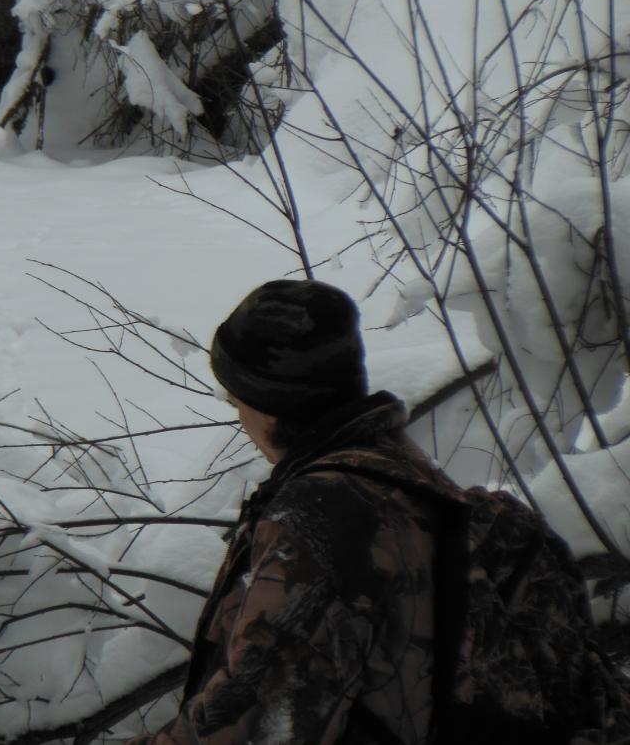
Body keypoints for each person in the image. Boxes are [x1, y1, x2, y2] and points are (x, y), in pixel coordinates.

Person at [126, 278, 458, 745]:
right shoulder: (410, 477)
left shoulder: (324, 518)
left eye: (237, 400)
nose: (238, 417)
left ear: (270, 408)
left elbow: (251, 723)